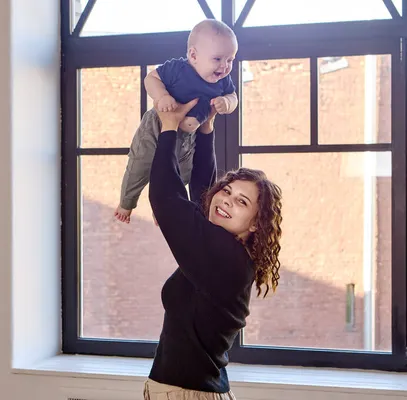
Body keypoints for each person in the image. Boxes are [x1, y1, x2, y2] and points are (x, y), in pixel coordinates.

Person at [144, 98, 283, 400]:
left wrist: (168, 129)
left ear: (256, 223)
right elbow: (205, 194)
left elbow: (166, 199)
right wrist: (206, 131)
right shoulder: (226, 251)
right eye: (228, 191)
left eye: (242, 202)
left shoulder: (226, 258)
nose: (226, 201)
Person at [114, 19, 239, 224]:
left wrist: (227, 102)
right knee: (140, 164)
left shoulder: (223, 81)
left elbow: (234, 97)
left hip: (188, 138)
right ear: (193, 55)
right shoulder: (177, 69)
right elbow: (151, 79)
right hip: (157, 126)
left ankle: (162, 210)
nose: (225, 66)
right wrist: (162, 96)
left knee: (180, 175)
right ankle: (127, 202)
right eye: (217, 59)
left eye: (230, 60)